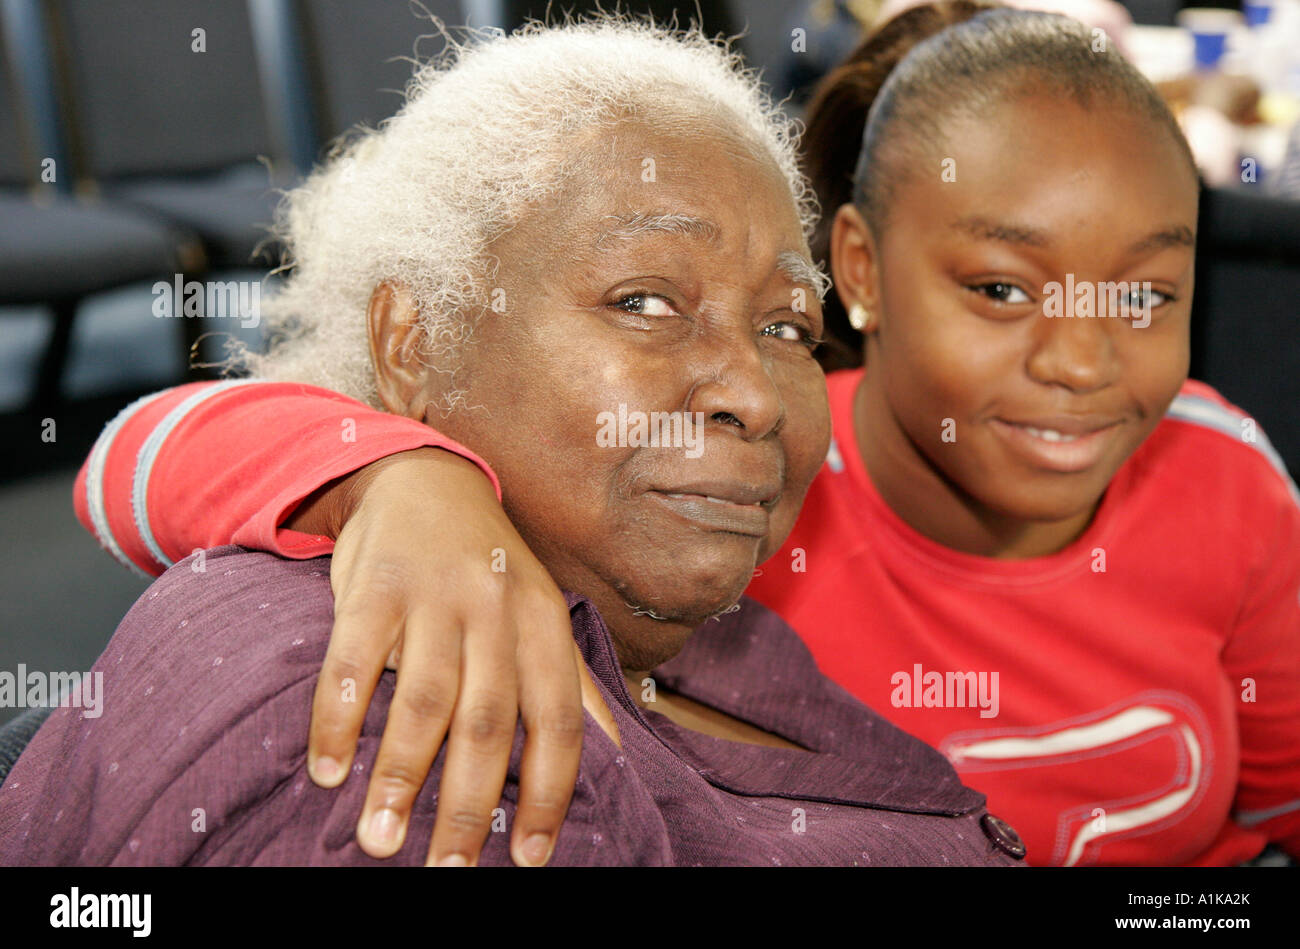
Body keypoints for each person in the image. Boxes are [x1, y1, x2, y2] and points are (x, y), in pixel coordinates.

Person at [57, 6, 1300, 866]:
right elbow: (133, 461)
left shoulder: (1217, 470)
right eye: (644, 300)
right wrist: (386, 475)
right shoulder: (418, 715)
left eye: (782, 327)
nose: (1080, 357)